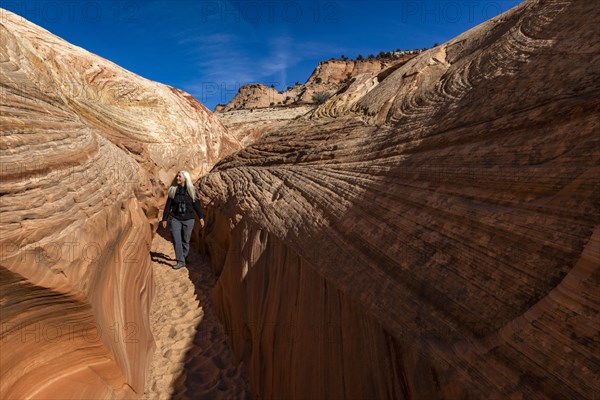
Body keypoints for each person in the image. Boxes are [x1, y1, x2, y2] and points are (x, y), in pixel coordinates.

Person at [161, 170, 205, 269]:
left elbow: (197, 205)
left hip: (189, 219)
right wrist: (165, 218)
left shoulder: (192, 190)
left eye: (179, 177)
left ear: (185, 178)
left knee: (186, 240)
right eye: (177, 176)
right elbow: (168, 206)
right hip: (175, 218)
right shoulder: (173, 190)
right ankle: (180, 261)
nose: (177, 178)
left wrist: (201, 217)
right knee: (177, 240)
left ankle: (184, 257)